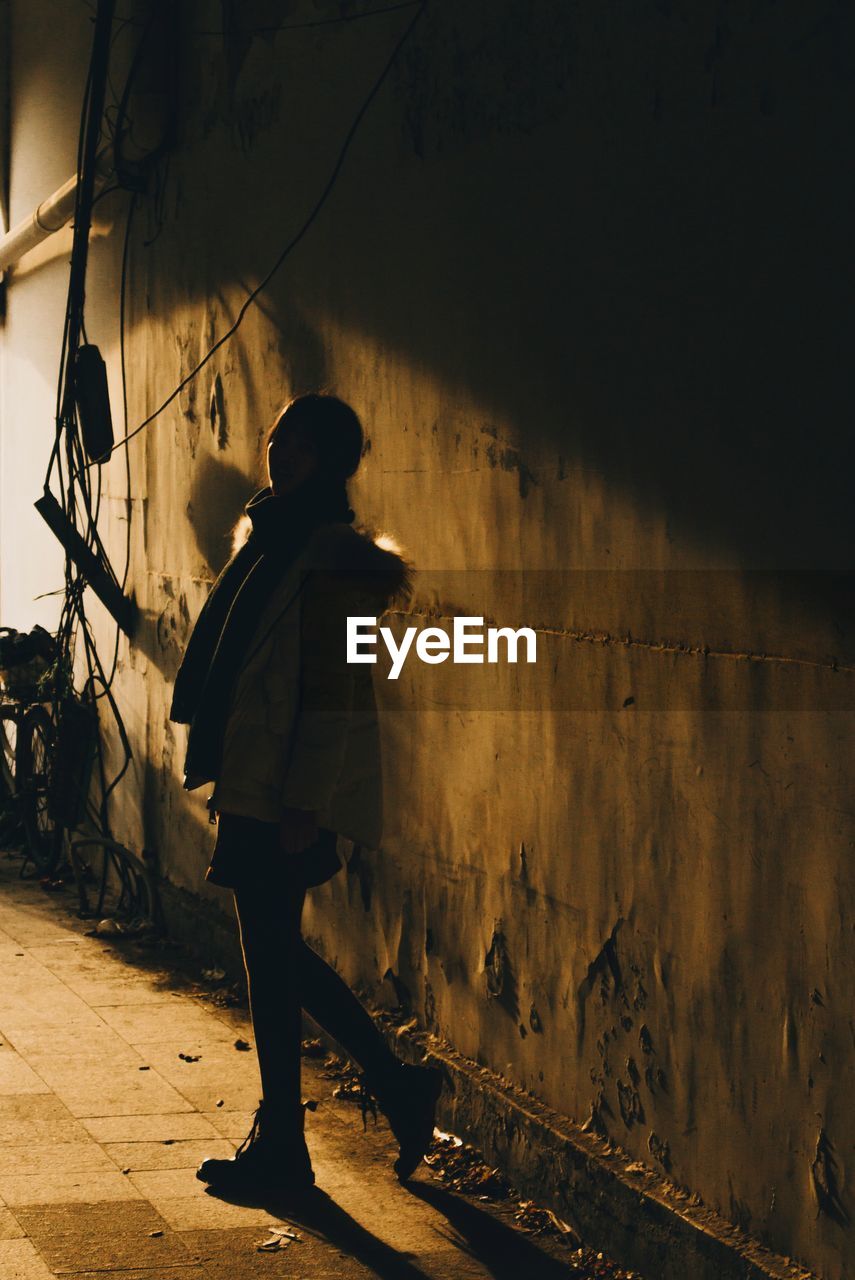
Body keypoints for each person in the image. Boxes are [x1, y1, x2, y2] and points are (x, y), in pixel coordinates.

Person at [169, 393, 443, 1197]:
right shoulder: (270, 538)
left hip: (284, 789)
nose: (279, 450)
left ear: (331, 460)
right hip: (257, 775)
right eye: (276, 437)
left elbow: (331, 691)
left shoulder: (325, 557)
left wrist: (302, 804)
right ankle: (386, 1092)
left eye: (300, 443)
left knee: (271, 953)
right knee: (273, 951)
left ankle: (289, 1147)